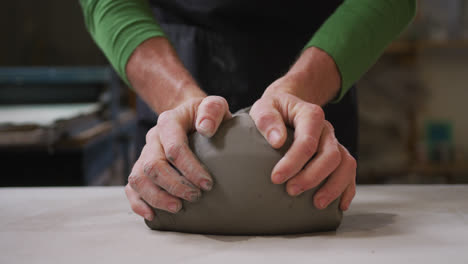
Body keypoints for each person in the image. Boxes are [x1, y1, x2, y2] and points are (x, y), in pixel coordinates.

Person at [80, 0, 416, 221]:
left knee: (310, 204)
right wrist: (178, 100)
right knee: (178, 198)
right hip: (174, 70)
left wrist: (299, 90)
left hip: (314, 80)